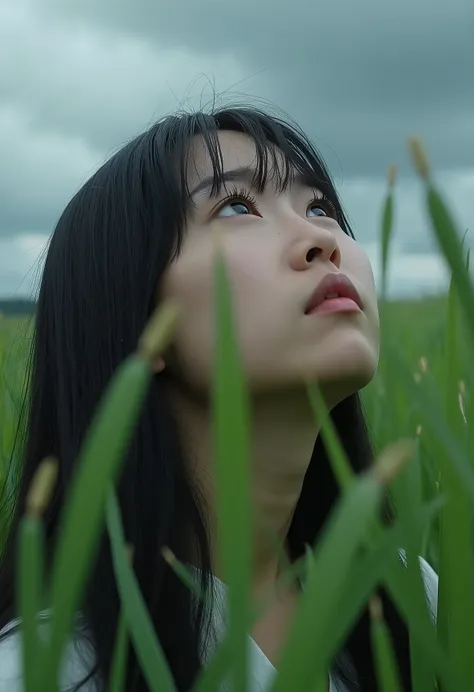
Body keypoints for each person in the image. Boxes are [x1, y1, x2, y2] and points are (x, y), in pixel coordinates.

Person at [0, 105, 438, 691]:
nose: (321, 240)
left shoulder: (413, 592)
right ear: (133, 316)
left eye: (320, 208)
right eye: (236, 206)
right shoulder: (50, 669)